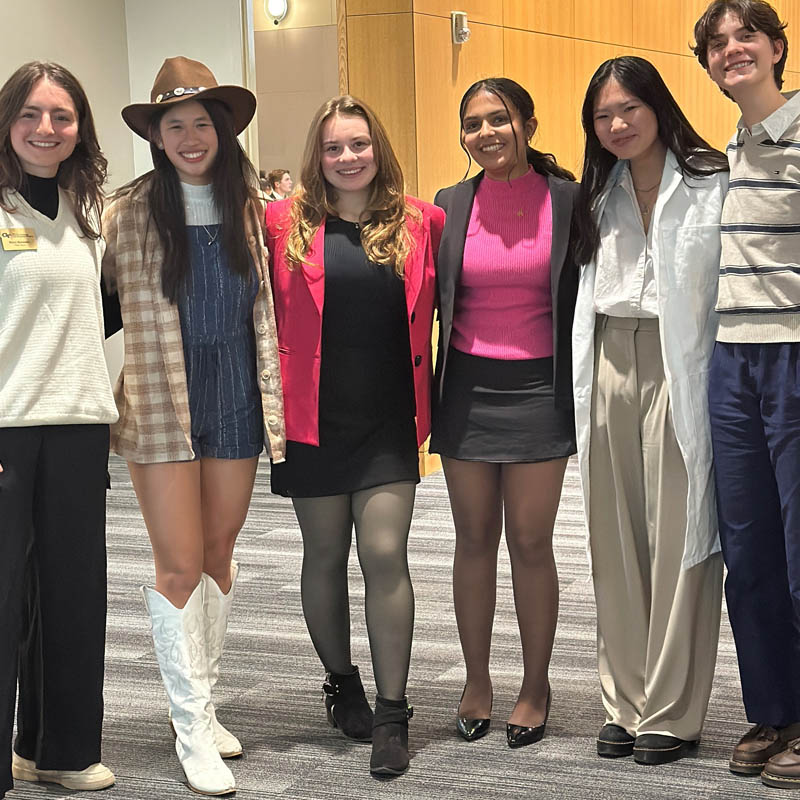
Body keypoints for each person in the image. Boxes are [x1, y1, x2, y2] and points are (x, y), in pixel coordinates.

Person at [102, 56, 285, 796]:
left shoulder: (253, 207)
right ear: (156, 135)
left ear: (223, 130)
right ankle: (189, 731)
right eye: (172, 124)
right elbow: (91, 306)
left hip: (236, 392)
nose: (188, 136)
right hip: (158, 401)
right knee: (177, 565)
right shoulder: (129, 211)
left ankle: (206, 710)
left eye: (200, 123)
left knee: (218, 552)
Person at [265, 95, 444, 777]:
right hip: (312, 420)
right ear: (318, 154)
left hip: (387, 420)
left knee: (383, 551)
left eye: (359, 145)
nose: (347, 157)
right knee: (324, 553)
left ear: (379, 149)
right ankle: (342, 682)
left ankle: (393, 714)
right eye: (335, 147)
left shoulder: (421, 222)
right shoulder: (282, 223)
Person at [571, 55, 727, 766]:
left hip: (679, 361)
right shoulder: (593, 194)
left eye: (629, 108)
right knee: (615, 536)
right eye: (603, 115)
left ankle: (671, 709)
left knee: (680, 536)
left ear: (658, 107)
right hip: (609, 356)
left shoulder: (710, 182)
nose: (617, 124)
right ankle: (623, 701)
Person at [431, 77, 578, 749]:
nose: (485, 132)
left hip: (539, 392)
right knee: (473, 538)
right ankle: (477, 681)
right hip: (466, 389)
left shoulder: (570, 199)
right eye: (473, 123)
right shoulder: (451, 204)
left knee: (529, 541)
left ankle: (534, 685)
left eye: (499, 118)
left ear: (527, 121)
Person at [0, 61, 118, 797]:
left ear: (80, 128)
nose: (47, 129)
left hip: (78, 423)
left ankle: (60, 749)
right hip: (6, 427)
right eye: (31, 115)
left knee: (74, 595)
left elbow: (95, 313)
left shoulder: (89, 208)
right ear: (8, 123)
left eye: (63, 116)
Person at [693, 0, 800, 786]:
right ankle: (776, 710)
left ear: (775, 48)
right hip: (733, 361)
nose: (733, 50)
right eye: (717, 44)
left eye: (745, 37)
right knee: (751, 549)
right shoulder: (730, 148)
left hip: (794, 357)